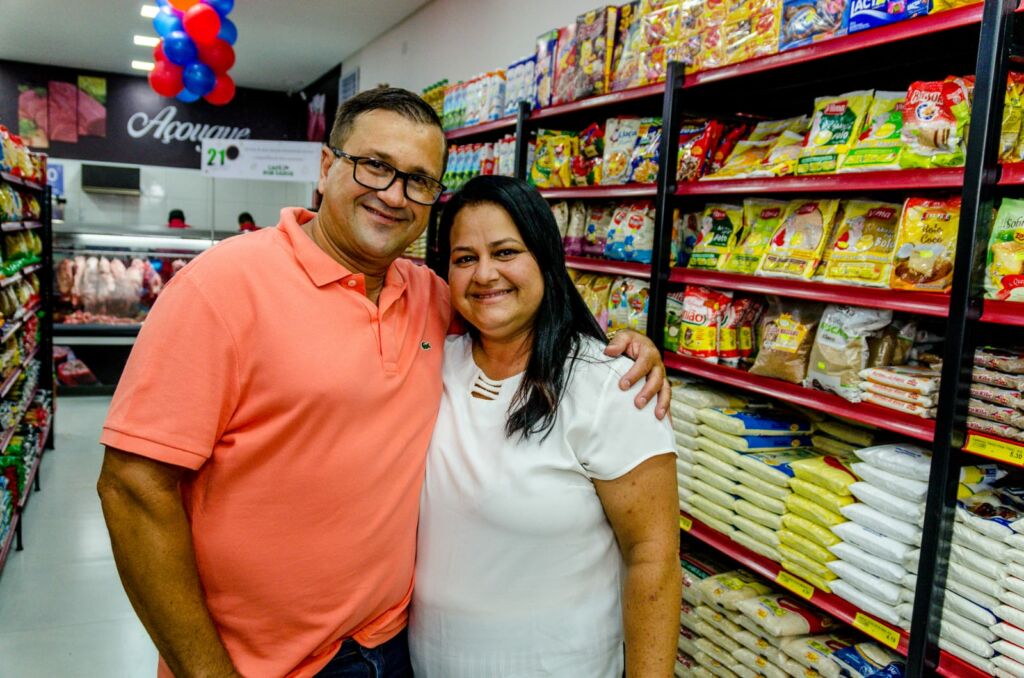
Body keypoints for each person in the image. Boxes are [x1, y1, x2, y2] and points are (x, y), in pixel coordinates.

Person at [95, 87, 671, 678]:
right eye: (374, 166)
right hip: (254, 664)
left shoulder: (431, 298)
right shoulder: (220, 287)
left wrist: (619, 344)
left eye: (418, 180)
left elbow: (514, 306)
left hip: (396, 646)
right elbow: (133, 489)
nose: (394, 195)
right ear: (326, 167)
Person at [409, 176, 680, 677]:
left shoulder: (610, 387)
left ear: (546, 259)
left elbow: (652, 558)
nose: (485, 274)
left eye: (506, 251)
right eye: (465, 258)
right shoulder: (432, 363)